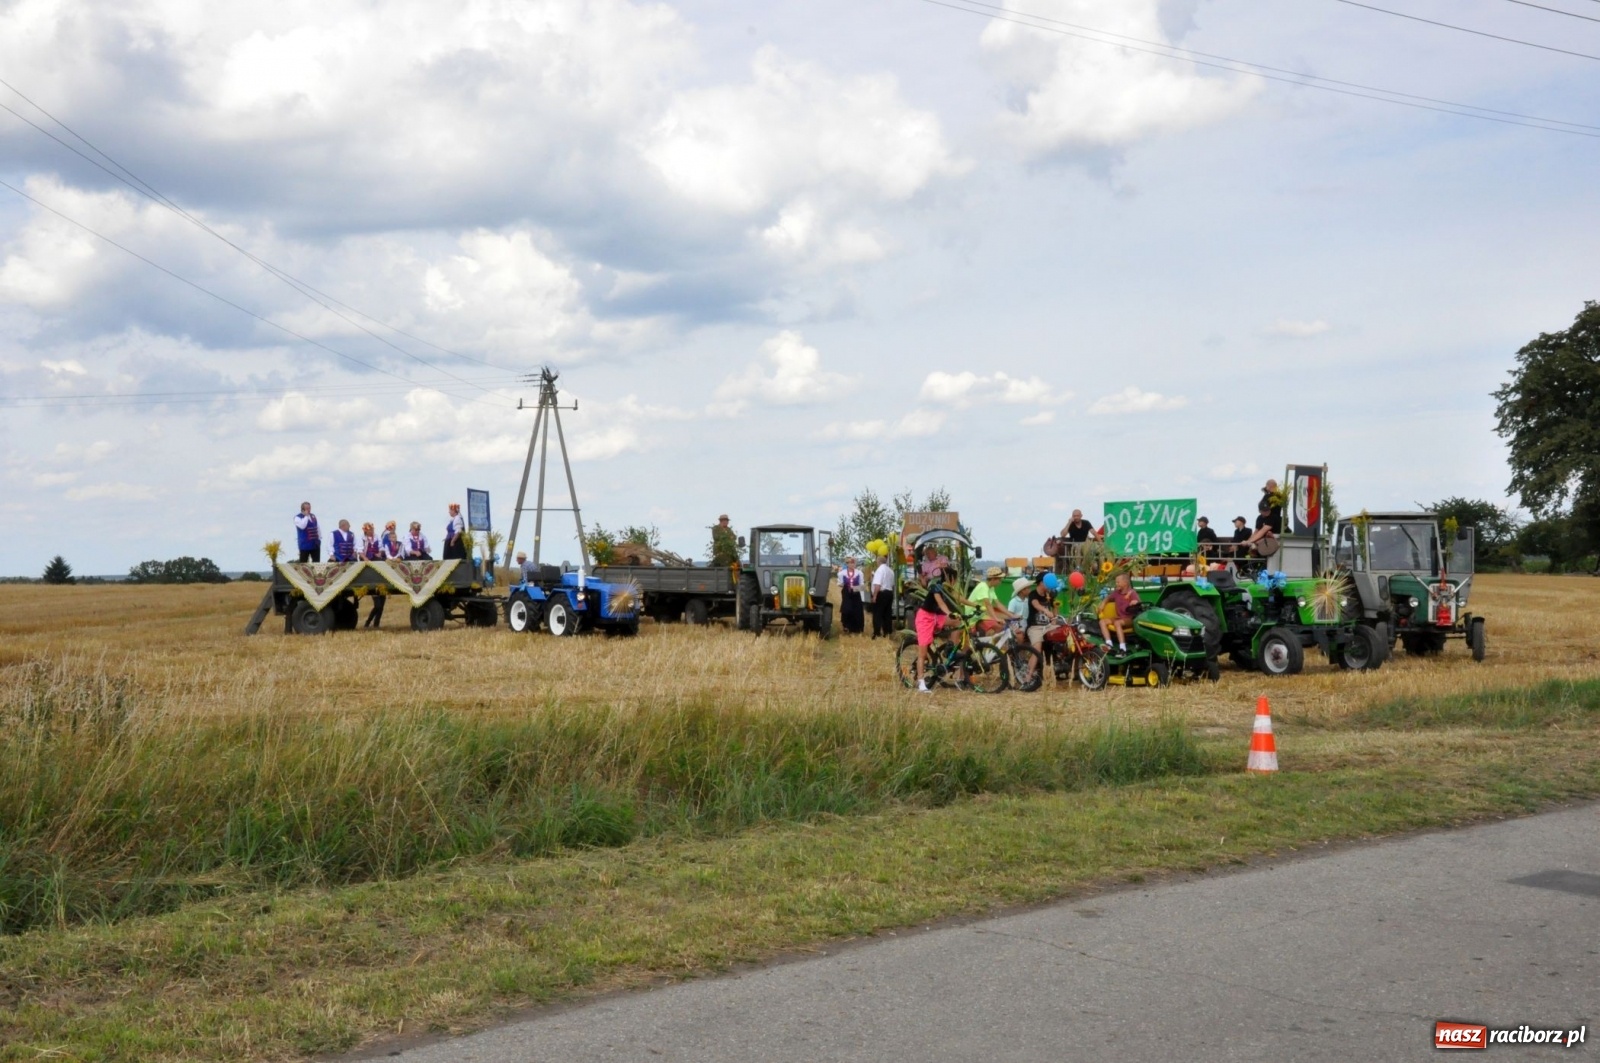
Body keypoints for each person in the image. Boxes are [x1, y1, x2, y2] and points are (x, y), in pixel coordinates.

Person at [914, 565, 960, 693]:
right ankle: (921, 683)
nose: (955, 582)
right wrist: (949, 613)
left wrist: (975, 605)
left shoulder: (948, 589)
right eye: (954, 579)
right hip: (925, 618)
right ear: (950, 578)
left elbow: (959, 598)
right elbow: (941, 603)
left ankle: (950, 649)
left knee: (958, 623)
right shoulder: (936, 586)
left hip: (936, 616)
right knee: (923, 654)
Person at [1099, 572, 1140, 655]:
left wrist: (1134, 602)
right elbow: (1108, 597)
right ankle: (1109, 643)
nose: (1116, 584)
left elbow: (1137, 602)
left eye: (1118, 582)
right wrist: (1103, 603)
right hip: (1119, 617)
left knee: (1117, 623)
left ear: (1125, 583)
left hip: (1129, 618)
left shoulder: (1132, 593)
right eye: (1116, 582)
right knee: (1102, 622)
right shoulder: (1116, 593)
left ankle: (1122, 647)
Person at [870, 551, 896, 639]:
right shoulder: (890, 571)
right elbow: (893, 585)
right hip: (889, 593)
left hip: (881, 593)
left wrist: (875, 596)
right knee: (887, 613)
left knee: (877, 613)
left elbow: (877, 585)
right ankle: (887, 631)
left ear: (878, 561)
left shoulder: (879, 570)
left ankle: (877, 632)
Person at [838, 556, 865, 634]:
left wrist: (855, 588)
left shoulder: (859, 573)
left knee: (857, 610)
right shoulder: (842, 573)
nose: (853, 564)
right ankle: (846, 626)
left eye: (854, 563)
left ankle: (857, 628)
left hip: (856, 593)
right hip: (847, 593)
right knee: (847, 608)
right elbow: (839, 584)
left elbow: (862, 586)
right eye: (851, 563)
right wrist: (845, 585)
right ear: (847, 564)